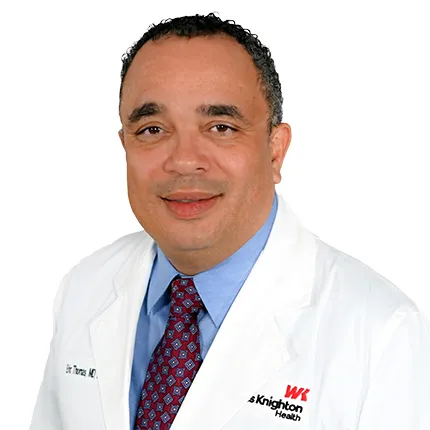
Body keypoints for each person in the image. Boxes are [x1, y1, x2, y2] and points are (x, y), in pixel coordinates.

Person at [30, 12, 430, 430]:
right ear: (125, 145)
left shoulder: (382, 334)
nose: (184, 161)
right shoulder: (83, 288)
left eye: (220, 127)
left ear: (275, 151)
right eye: (152, 129)